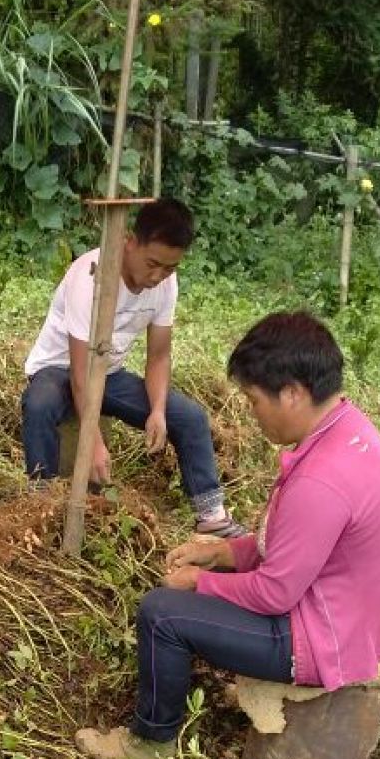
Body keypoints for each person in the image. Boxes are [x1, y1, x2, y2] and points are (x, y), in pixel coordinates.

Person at [75, 310, 380, 759]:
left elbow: (275, 591)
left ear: (293, 393)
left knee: (162, 614)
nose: (251, 413)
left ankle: (149, 743)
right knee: (190, 598)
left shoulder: (322, 481)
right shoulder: (348, 431)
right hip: (343, 617)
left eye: (253, 400)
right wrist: (221, 551)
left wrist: (196, 581)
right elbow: (295, 546)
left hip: (321, 639)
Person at [21, 197, 242, 537]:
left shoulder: (166, 284)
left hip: (108, 375)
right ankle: (40, 504)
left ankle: (211, 516)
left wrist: (156, 411)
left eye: (170, 268)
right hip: (59, 369)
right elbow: (80, 376)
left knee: (190, 417)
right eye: (153, 263)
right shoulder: (91, 276)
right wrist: (91, 443)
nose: (158, 276)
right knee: (39, 405)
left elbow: (158, 357)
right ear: (129, 242)